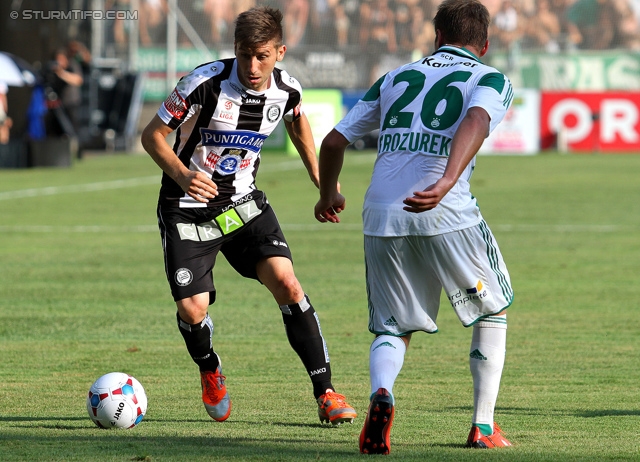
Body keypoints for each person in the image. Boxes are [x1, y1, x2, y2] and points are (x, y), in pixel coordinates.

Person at [141, 6, 356, 425]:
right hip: (187, 210)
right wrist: (184, 175)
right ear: (235, 50)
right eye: (244, 55)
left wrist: (320, 179)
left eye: (261, 56)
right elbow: (151, 136)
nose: (252, 66)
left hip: (244, 207)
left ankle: (327, 393)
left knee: (289, 285)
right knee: (192, 310)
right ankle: (209, 368)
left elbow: (297, 120)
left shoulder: (286, 89)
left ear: (280, 52)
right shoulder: (202, 84)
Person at [314, 0, 514, 454]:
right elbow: (477, 120)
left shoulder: (395, 77)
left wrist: (328, 195)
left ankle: (381, 392)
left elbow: (334, 140)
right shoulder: (489, 77)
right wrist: (446, 180)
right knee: (491, 311)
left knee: (392, 327)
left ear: (437, 36)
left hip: (382, 213)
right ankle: (483, 426)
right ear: (484, 44)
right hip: (447, 211)